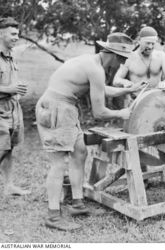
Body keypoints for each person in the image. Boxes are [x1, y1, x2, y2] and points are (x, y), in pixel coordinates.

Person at [36, 32, 144, 231]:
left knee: (80, 153)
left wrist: (128, 90)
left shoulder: (93, 63)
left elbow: (102, 89)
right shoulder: (95, 69)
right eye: (121, 59)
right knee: (59, 163)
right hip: (56, 108)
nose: (121, 64)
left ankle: (77, 204)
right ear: (111, 53)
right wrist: (122, 113)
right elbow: (99, 112)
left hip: (65, 107)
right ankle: (53, 215)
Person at [113, 26, 165, 182]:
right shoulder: (129, 57)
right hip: (135, 103)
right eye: (147, 43)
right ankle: (142, 178)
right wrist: (127, 83)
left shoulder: (161, 56)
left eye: (153, 44)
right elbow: (116, 79)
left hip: (156, 103)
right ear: (139, 40)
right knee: (136, 140)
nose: (150, 47)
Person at [0, 17, 30, 196]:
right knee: (2, 148)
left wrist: (16, 89)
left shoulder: (10, 55)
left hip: (13, 108)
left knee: (9, 147)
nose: (16, 37)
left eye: (17, 34)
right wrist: (9, 89)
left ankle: (9, 185)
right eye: (12, 34)